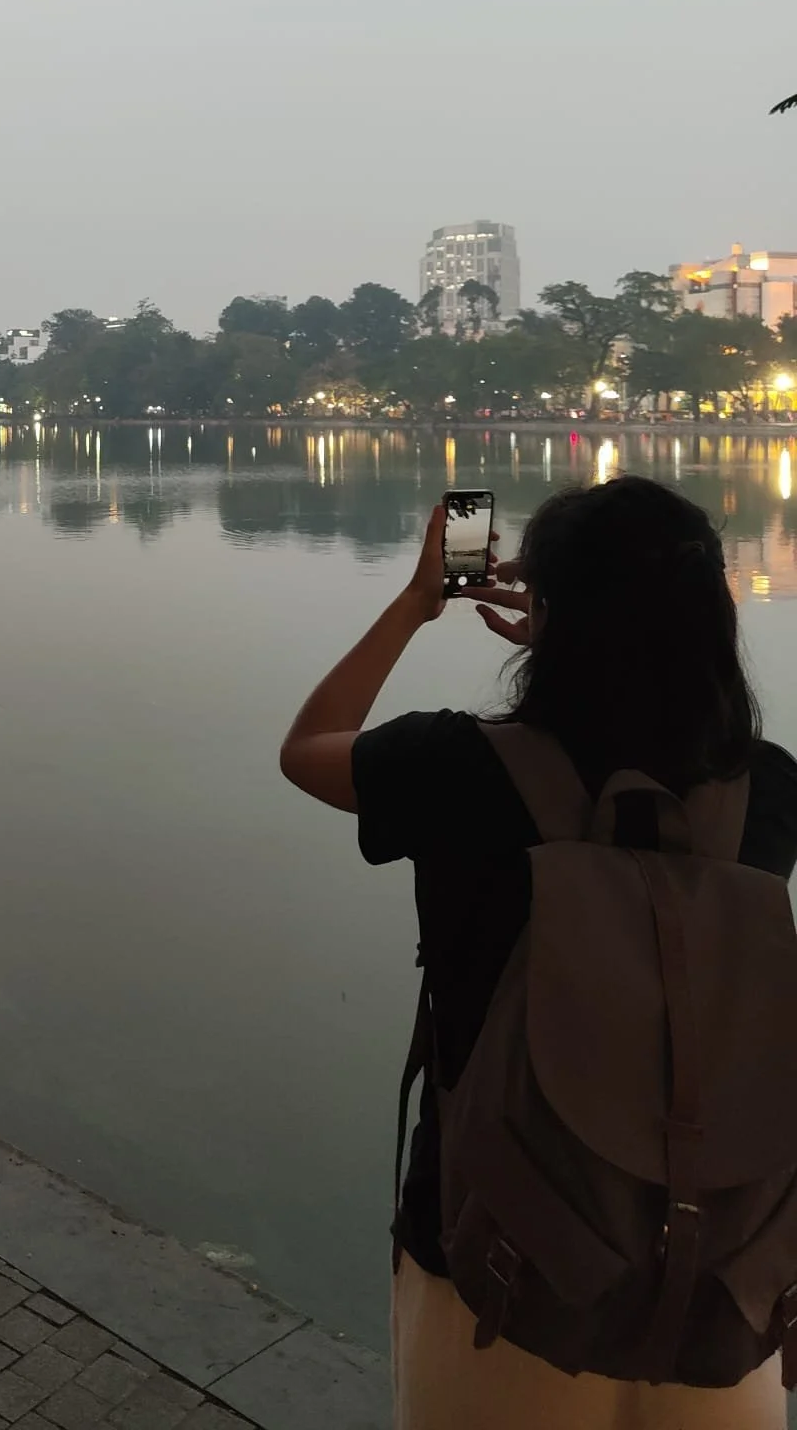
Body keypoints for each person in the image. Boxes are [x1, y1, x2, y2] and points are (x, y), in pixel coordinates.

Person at [279, 475, 797, 1430]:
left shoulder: (457, 767)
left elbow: (308, 745)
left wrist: (418, 604)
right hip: (722, 1281)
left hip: (498, 1269)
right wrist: (580, 637)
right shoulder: (765, 791)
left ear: (551, 612)